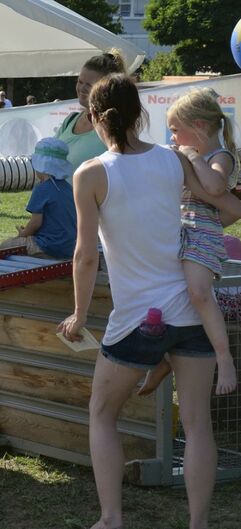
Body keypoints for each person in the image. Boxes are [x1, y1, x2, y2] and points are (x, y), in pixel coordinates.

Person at [58, 73, 241, 529]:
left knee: (103, 413)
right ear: (140, 114)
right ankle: (199, 523)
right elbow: (221, 201)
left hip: (136, 318)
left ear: (94, 117)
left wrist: (79, 313)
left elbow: (85, 256)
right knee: (198, 425)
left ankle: (111, 518)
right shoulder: (173, 159)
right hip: (190, 311)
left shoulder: (90, 173)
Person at [138, 88, 239, 397]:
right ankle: (163, 358)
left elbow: (215, 186)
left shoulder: (219, 156)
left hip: (200, 236)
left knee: (199, 293)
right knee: (166, 296)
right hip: (179, 233)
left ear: (199, 126)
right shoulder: (187, 156)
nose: (173, 137)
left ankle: (224, 358)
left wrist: (192, 157)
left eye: (175, 129)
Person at [54, 50, 127, 183]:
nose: (81, 88)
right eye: (80, 82)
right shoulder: (70, 120)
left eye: (89, 85)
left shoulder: (114, 127)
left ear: (105, 88)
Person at [0, 137, 76, 259]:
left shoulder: (42, 189)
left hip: (47, 246)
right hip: (69, 247)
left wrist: (23, 234)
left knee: (5, 246)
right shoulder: (68, 188)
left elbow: (35, 223)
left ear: (41, 166)